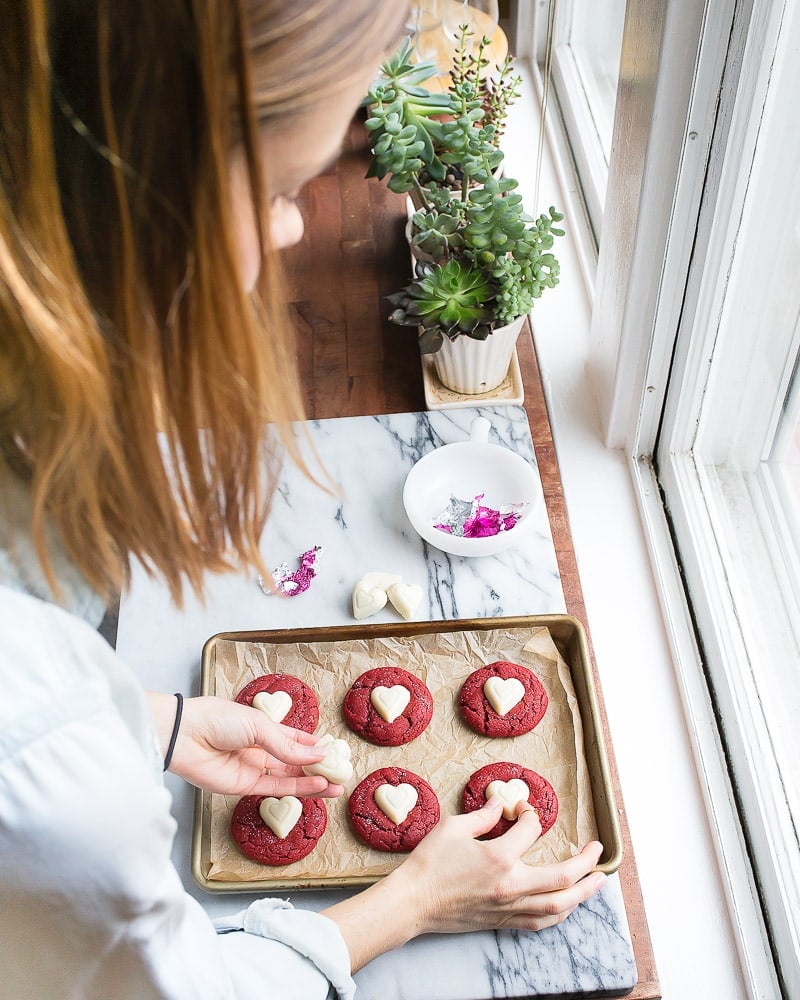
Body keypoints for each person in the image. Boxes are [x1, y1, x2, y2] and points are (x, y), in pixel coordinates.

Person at [0, 2, 607, 997]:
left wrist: (145, 721)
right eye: (282, 186)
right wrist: (409, 900)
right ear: (140, 199)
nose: (291, 227)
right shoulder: (43, 756)